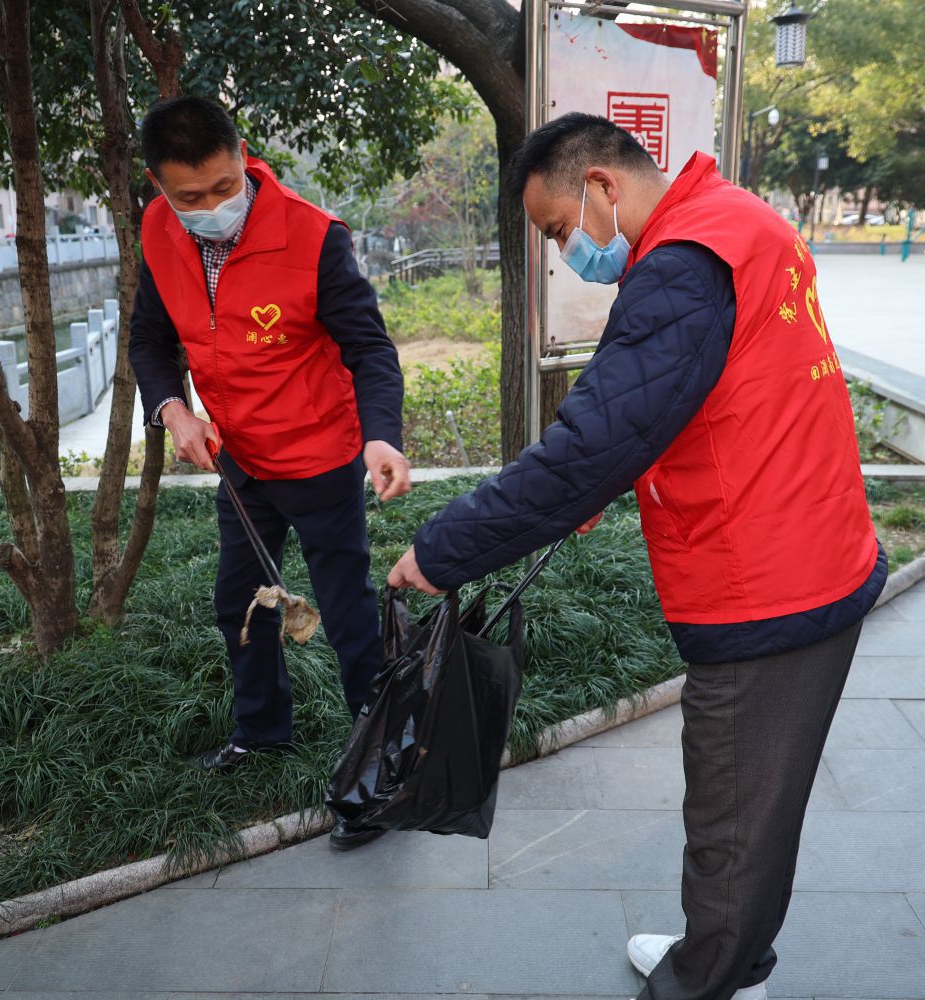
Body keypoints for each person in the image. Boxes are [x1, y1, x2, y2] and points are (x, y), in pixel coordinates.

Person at [389, 113, 885, 1000]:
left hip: (765, 583)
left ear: (601, 187)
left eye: (558, 229)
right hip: (812, 544)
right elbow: (706, 394)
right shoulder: (737, 220)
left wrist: (442, 550)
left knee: (732, 816)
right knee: (757, 807)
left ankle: (705, 978)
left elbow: (587, 447)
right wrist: (605, 479)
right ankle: (732, 954)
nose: (565, 251)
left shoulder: (681, 267)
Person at [128, 96, 411, 851]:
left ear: (243, 156)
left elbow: (369, 350)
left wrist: (382, 439)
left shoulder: (313, 237)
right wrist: (174, 412)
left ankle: (380, 762)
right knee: (240, 601)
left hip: (319, 456)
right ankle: (260, 731)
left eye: (225, 187)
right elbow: (149, 340)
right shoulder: (158, 232)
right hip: (239, 459)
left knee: (347, 610)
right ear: (158, 185)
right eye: (190, 196)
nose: (211, 208)